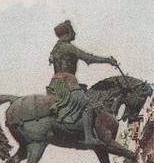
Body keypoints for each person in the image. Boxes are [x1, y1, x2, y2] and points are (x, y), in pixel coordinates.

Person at [47, 19, 118, 147]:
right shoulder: (67, 47)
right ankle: (88, 137)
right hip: (67, 81)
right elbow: (88, 58)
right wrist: (107, 60)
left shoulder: (56, 48)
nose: (74, 33)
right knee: (88, 105)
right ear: (68, 32)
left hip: (55, 82)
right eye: (72, 30)